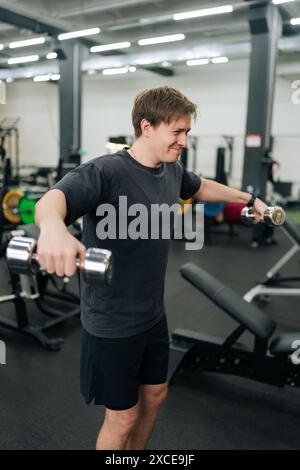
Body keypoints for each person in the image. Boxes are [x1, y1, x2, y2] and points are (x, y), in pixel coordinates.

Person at [34, 86, 268, 450]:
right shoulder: (104, 171)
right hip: (112, 321)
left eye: (187, 133)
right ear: (147, 126)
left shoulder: (171, 171)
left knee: (156, 396)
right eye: (177, 132)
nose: (184, 142)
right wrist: (53, 229)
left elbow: (201, 187)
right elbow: (53, 200)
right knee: (122, 417)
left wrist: (250, 200)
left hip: (151, 314)